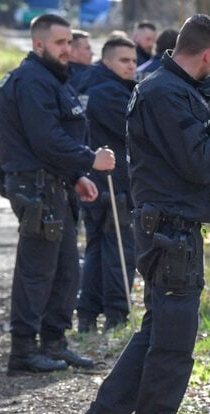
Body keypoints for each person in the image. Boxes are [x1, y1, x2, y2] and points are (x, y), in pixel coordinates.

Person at [73, 13, 210, 414]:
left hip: (176, 227)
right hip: (168, 234)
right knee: (172, 342)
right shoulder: (163, 93)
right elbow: (199, 161)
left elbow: (191, 170)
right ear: (208, 54)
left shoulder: (179, 89)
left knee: (158, 332)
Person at [0, 13, 116, 375]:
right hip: (36, 188)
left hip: (54, 185)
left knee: (65, 268)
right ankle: (23, 351)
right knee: (37, 270)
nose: (68, 49)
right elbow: (46, 139)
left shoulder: (50, 77)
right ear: (39, 44)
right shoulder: (33, 81)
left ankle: (54, 342)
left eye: (69, 43)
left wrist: (76, 176)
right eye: (61, 43)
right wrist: (89, 160)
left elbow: (53, 137)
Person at [76, 37, 139, 334]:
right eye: (124, 61)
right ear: (107, 61)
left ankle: (87, 314)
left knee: (97, 248)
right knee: (119, 250)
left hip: (91, 180)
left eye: (134, 61)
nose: (132, 66)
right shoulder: (110, 92)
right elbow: (134, 135)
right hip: (112, 183)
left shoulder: (85, 86)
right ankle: (115, 314)